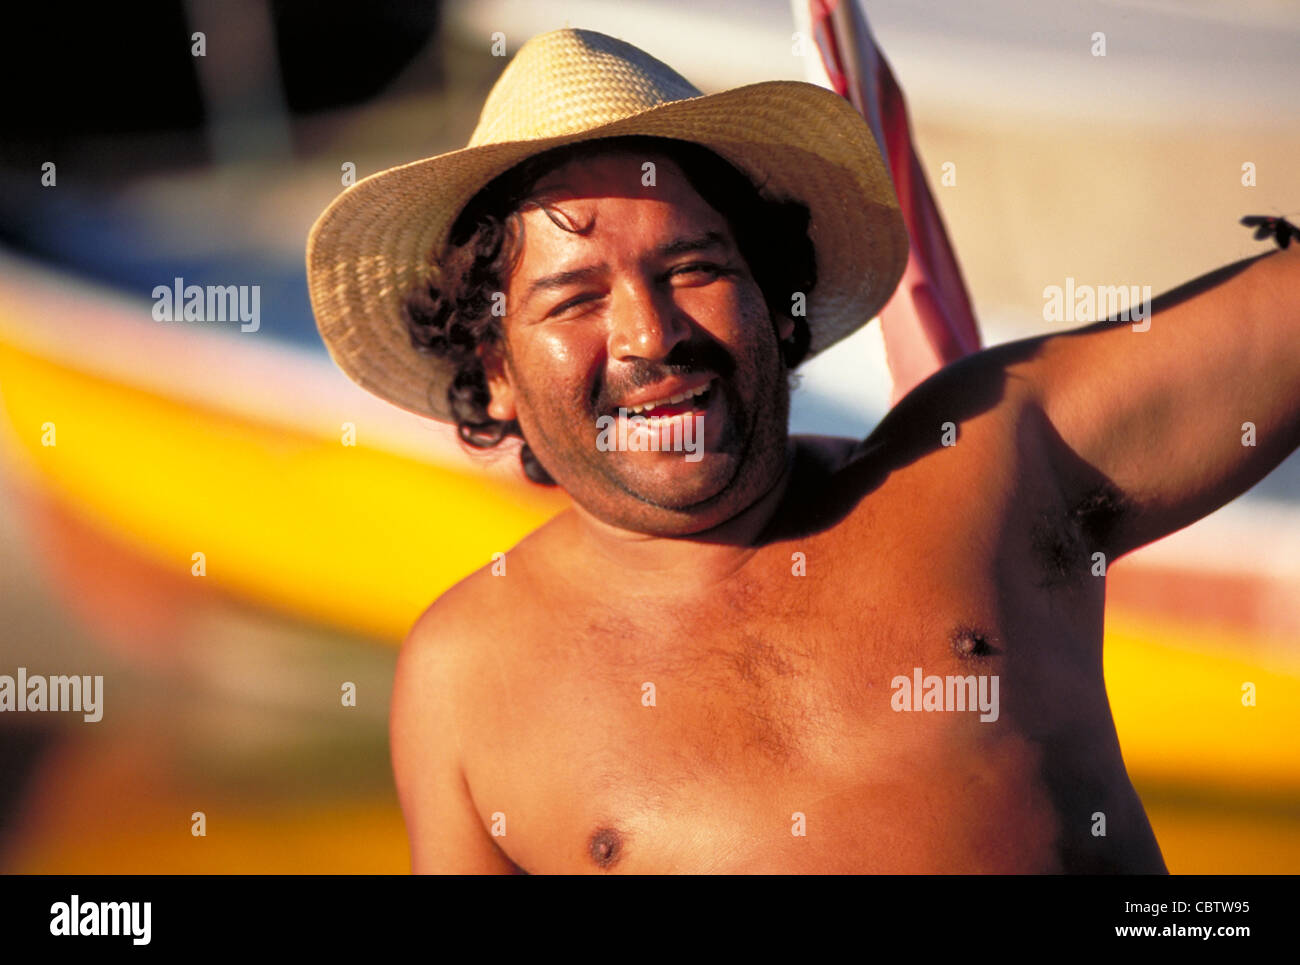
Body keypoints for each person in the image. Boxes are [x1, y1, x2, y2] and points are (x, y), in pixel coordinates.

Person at [306, 28, 1300, 873]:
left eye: (693, 268)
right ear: (495, 373)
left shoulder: (991, 461)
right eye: (573, 299)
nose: (651, 337)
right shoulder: (462, 675)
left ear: (776, 304)